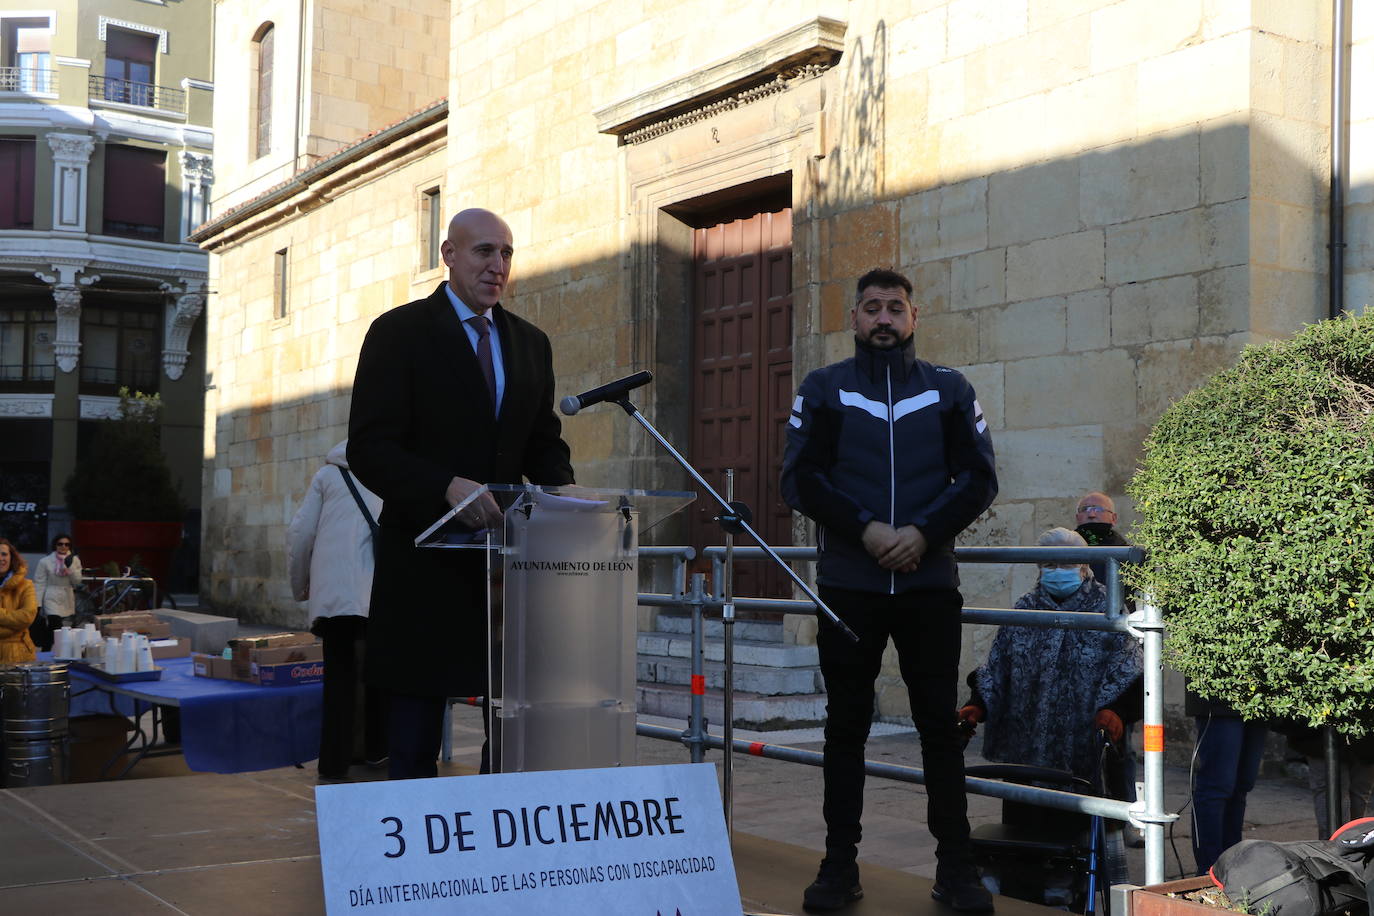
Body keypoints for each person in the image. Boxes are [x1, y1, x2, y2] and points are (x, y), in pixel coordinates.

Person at [782, 267, 998, 912]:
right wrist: (868, 529)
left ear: (914, 316)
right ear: (853, 318)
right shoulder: (823, 388)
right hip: (851, 585)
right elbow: (801, 479)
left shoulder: (950, 390)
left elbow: (979, 478)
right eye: (871, 307)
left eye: (894, 307)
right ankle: (838, 865)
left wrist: (923, 533)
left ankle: (956, 870)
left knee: (938, 727)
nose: (883, 318)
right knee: (845, 727)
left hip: (929, 586)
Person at [348, 208, 574, 780]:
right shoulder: (399, 333)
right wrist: (443, 486)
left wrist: (569, 500)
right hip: (424, 563)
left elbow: (542, 442)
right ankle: (412, 854)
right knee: (416, 735)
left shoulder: (530, 343)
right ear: (448, 255)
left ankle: (498, 840)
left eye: (506, 253)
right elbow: (370, 447)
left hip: (505, 572)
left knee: (512, 718)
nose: (497, 266)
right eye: (483, 252)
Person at [959, 527, 1143, 780]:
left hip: (1079, 749)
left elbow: (1129, 668)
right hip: (1025, 745)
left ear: (1083, 565)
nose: (1057, 570)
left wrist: (1117, 711)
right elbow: (998, 666)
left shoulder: (1106, 609)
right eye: (1049, 564)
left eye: (1066, 563)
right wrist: (977, 705)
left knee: (1075, 812)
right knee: (1022, 815)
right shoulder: (1026, 607)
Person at [288, 439, 388, 782]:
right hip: (381, 595)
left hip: (336, 600)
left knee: (339, 682)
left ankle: (334, 762)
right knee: (379, 678)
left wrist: (300, 585)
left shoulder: (328, 477)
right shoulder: (390, 475)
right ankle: (375, 751)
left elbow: (301, 534)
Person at [1187, 689, 1268, 874]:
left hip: (1257, 701)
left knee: (1242, 785)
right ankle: (1210, 870)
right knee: (1217, 786)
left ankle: (1233, 865)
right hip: (1220, 698)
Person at [31, 533, 83, 650]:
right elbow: (39, 583)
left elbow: (77, 581)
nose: (63, 547)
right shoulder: (45, 561)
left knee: (56, 628)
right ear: (55, 545)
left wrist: (69, 567)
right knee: (55, 623)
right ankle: (50, 649)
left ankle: (47, 647)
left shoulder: (74, 560)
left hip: (66, 596)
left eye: (66, 544)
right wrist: (37, 604)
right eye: (60, 544)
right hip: (51, 595)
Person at [1073, 491, 1129, 584]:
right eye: (1085, 509)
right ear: (1077, 517)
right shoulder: (1064, 546)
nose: (1091, 515)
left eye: (1098, 509)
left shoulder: (1126, 554)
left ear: (1114, 518)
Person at [0, 537, 39, 663]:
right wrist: (16, 627)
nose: (1, 558)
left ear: (11, 557)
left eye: (4, 554)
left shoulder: (26, 585)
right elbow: (21, 621)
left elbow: (27, 617)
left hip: (19, 656)